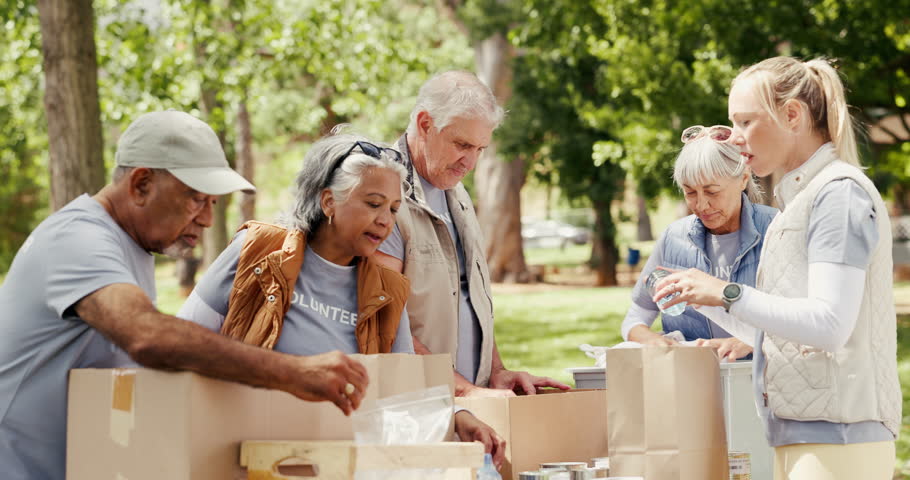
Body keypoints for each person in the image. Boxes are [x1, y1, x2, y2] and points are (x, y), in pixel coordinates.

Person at [0, 111, 370, 480]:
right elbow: (147, 336)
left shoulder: (131, 246)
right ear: (141, 184)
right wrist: (294, 372)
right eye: (196, 199)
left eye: (212, 203)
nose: (207, 219)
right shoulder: (79, 239)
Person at [177, 133, 505, 466]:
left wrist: (458, 415)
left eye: (394, 209)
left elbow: (406, 389)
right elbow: (184, 340)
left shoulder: (388, 291)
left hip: (340, 466)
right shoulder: (256, 250)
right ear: (329, 201)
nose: (385, 221)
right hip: (244, 462)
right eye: (373, 204)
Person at [653, 57, 900, 480]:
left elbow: (830, 326)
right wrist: (703, 297)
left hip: (839, 439)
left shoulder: (838, 196)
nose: (734, 138)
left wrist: (727, 292)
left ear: (792, 115)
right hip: (800, 434)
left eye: (745, 122)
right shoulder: (799, 201)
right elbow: (783, 337)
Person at [373, 70, 569, 397]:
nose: (470, 162)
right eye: (462, 145)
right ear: (425, 124)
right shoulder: (381, 195)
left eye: (480, 149)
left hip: (469, 400)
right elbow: (384, 321)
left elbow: (469, 298)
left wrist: (497, 372)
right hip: (414, 405)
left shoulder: (456, 191)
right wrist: (464, 391)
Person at [621, 126, 777, 361]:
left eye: (712, 192)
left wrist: (751, 340)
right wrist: (653, 341)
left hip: (763, 379)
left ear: (743, 178)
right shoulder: (673, 238)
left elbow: (807, 319)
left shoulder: (776, 229)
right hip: (692, 376)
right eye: (690, 193)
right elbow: (634, 319)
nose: (701, 205)